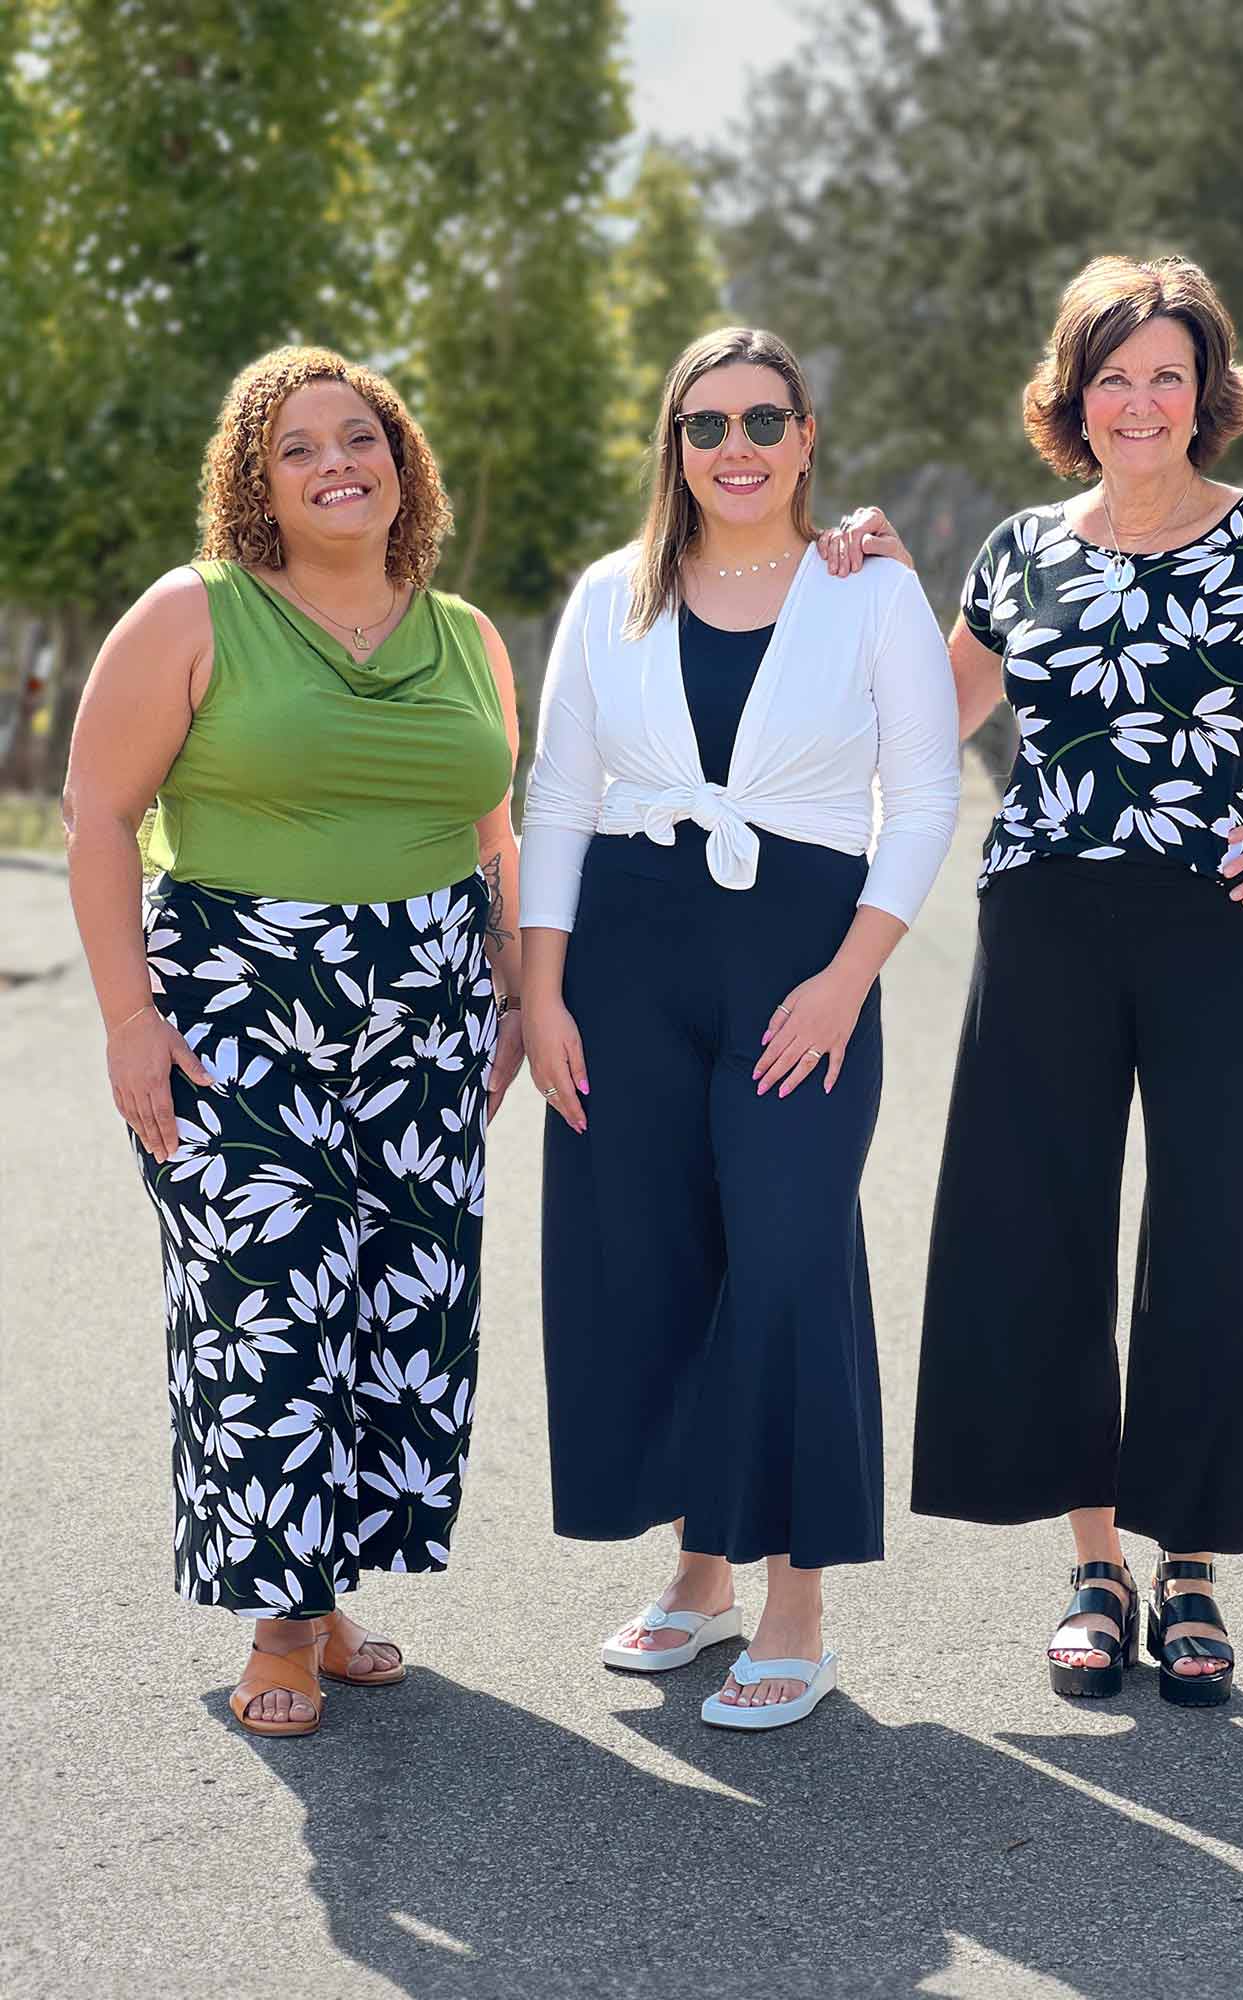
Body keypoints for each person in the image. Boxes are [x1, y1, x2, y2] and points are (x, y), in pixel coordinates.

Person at [822, 255, 1243, 1706]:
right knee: (1040, 1233)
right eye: (1114, 376)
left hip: (1216, 918)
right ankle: (1094, 1564)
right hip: (1045, 921)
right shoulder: (1025, 551)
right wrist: (880, 590)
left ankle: (1193, 1569)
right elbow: (928, 713)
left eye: (1168, 375)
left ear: (1204, 393)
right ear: (1073, 395)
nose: (1140, 402)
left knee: (1220, 1238)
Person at [63, 347, 524, 1737]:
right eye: (299, 449)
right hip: (233, 1019)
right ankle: (276, 1620)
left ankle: (329, 1598)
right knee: (265, 1307)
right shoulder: (193, 613)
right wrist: (129, 1023)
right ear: (256, 483)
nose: (338, 465)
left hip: (430, 1019)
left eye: (361, 438)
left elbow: (496, 832)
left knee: (397, 1310)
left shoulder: (467, 636)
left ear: (402, 463)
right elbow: (94, 821)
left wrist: (508, 993)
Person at [519, 326, 961, 1730]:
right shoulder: (610, 597)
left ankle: (796, 1600)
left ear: (808, 435)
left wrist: (851, 974)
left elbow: (929, 797)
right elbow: (558, 801)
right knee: (654, 1261)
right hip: (628, 966)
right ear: (676, 444)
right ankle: (699, 1574)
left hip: (802, 960)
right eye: (707, 425)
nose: (738, 448)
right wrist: (541, 995)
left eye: (764, 420)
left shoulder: (872, 592)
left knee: (785, 1255)